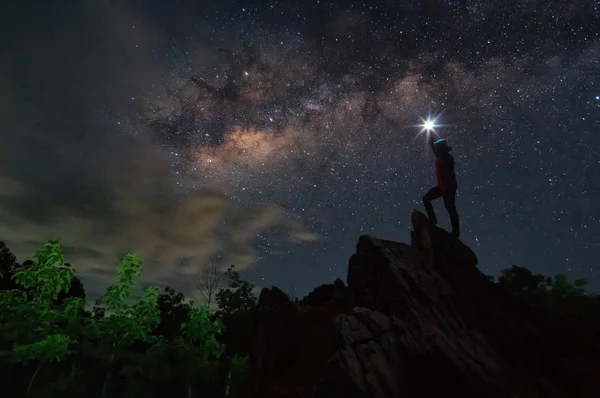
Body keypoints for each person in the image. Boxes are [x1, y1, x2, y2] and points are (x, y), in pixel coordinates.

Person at [423, 135, 460, 237]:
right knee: (426, 199)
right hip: (441, 186)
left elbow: (449, 171)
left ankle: (456, 230)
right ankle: (433, 220)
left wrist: (448, 189)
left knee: (450, 207)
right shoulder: (441, 156)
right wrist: (431, 139)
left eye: (438, 147)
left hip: (448, 187)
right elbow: (435, 150)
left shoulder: (447, 158)